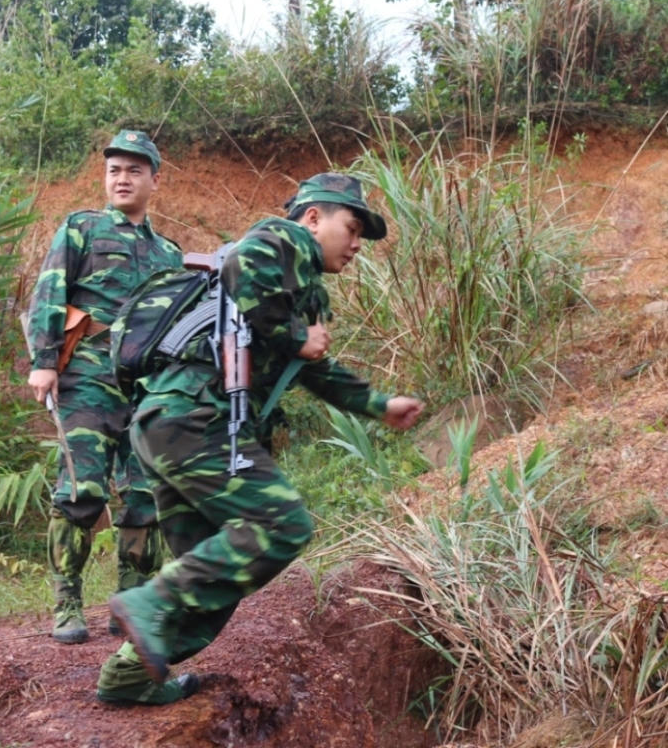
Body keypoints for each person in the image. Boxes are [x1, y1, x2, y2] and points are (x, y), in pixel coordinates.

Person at [96, 172, 424, 705]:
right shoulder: (281, 239)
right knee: (282, 523)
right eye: (353, 226)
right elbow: (240, 265)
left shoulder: (292, 290)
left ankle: (128, 676)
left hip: (165, 427)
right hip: (195, 421)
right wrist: (299, 337)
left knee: (215, 577)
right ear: (314, 218)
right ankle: (149, 600)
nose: (358, 243)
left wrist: (377, 405)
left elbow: (311, 367)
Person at [26, 130, 183, 645]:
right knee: (82, 490)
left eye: (135, 170)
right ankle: (67, 599)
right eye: (115, 169)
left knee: (144, 496)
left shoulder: (169, 254)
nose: (122, 178)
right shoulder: (83, 228)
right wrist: (45, 362)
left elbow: (180, 325)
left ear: (154, 181)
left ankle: (130, 602)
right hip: (88, 377)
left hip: (148, 387)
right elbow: (50, 288)